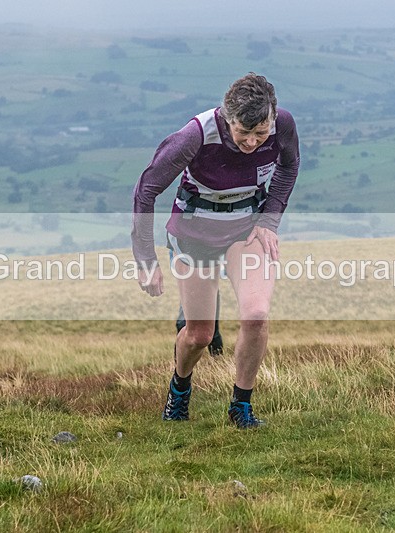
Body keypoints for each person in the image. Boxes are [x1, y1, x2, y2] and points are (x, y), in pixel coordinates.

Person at [131, 73, 300, 429]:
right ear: (227, 118)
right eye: (244, 133)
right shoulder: (195, 136)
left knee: (256, 315)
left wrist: (269, 221)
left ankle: (241, 407)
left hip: (245, 230)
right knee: (200, 336)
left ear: (272, 117)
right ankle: (179, 389)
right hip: (195, 235)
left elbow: (289, 164)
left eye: (261, 132)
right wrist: (146, 260)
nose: (253, 141)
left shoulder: (282, 124)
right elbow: (146, 190)